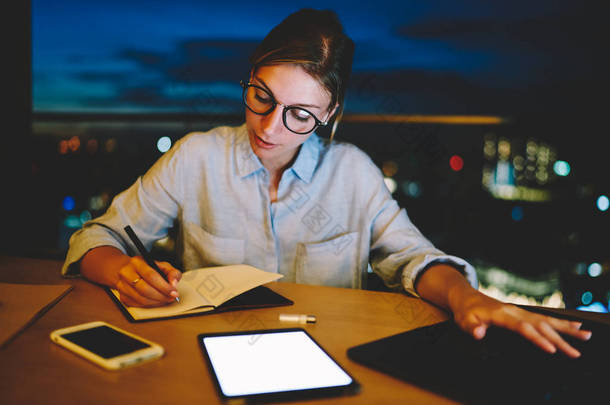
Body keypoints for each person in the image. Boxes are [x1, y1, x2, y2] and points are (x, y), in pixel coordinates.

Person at [62, 8, 591, 357]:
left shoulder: (352, 173)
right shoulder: (195, 158)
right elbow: (94, 238)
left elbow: (414, 260)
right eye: (261, 96)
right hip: (209, 355)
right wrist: (121, 269)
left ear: (331, 114)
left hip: (331, 356)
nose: (270, 127)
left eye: (300, 114)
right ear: (249, 78)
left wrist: (462, 296)